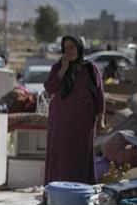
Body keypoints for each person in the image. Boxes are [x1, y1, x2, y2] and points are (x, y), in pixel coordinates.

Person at [43, 35, 105, 192]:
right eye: (66, 48)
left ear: (80, 47)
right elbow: (50, 88)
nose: (70, 51)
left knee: (80, 158)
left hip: (83, 123)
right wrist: (64, 68)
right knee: (60, 157)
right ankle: (55, 194)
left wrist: (100, 118)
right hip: (61, 122)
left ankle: (81, 194)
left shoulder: (91, 69)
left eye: (72, 47)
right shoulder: (58, 67)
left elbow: (99, 94)